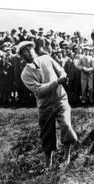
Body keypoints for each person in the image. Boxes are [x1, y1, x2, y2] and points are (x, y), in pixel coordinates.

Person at [19, 41, 78, 170]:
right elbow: (39, 90)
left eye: (30, 50)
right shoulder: (25, 74)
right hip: (45, 105)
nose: (29, 53)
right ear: (22, 57)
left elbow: (60, 70)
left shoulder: (46, 58)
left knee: (66, 126)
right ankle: (48, 164)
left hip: (60, 98)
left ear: (34, 50)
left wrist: (63, 76)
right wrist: (57, 81)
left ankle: (66, 158)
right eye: (25, 52)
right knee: (47, 134)